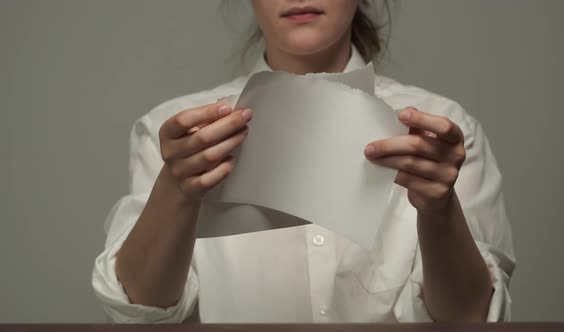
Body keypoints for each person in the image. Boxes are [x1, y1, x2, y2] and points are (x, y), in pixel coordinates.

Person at [92, 0, 515, 323]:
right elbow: (140, 315)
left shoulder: (442, 130)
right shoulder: (177, 133)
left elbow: (470, 319)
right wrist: (177, 188)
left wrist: (439, 210)